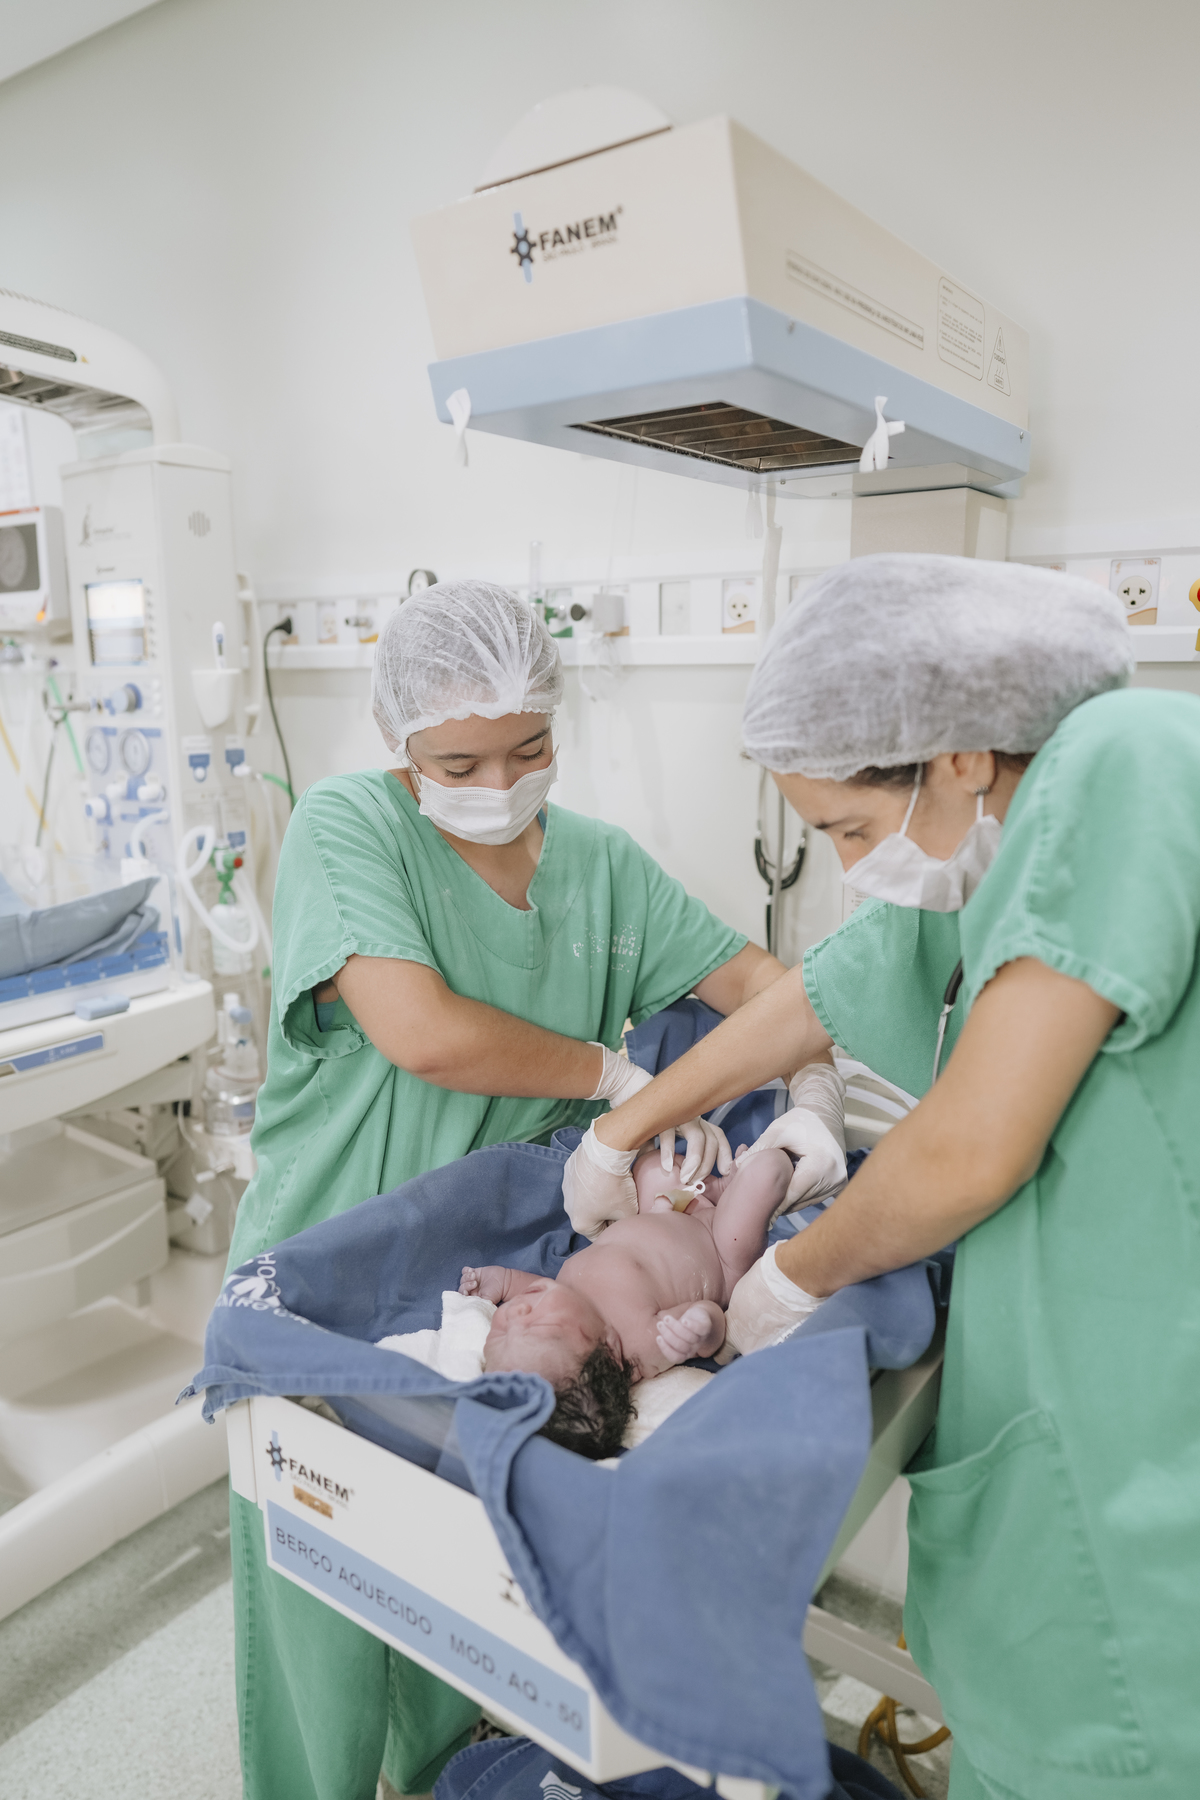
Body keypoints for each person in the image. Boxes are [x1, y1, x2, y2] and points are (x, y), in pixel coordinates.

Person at [562, 552, 1200, 1800]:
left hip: (1145, 1415)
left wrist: (792, 1271)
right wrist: (623, 1125)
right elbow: (823, 994)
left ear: (956, 755)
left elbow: (969, 1145)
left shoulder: (1123, 764)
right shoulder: (998, 844)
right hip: (1056, 1388)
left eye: (853, 831)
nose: (857, 867)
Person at [228, 580, 795, 1800]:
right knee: (324, 1594)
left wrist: (812, 1091)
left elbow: (765, 986)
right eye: (459, 761)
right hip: (339, 1258)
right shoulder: (349, 827)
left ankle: (446, 1774)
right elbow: (423, 1032)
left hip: (495, 1280)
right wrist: (620, 1085)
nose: (498, 781)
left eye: (529, 748)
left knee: (457, 1586)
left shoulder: (601, 867)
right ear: (399, 742)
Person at [461, 1144, 794, 1456]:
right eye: (538, 1326)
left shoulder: (563, 1296)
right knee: (767, 1170)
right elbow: (716, 1328)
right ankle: (739, 1189)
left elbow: (535, 1288)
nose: (517, 1311)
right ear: (606, 1351)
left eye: (499, 1331)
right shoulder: (638, 1345)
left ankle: (719, 1189)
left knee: (653, 1169)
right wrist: (701, 1329)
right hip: (721, 1250)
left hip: (665, 1210)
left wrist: (501, 1281)